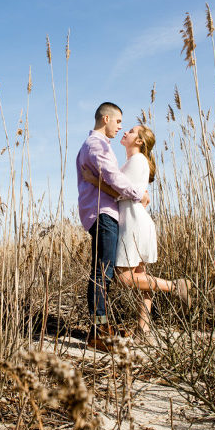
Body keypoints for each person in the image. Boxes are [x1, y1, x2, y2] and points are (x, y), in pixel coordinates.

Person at [82, 124, 191, 342]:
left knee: (124, 278)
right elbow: (135, 193)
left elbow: (120, 192)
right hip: (137, 221)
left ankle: (176, 286)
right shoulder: (135, 163)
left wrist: (94, 180)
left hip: (133, 223)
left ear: (139, 141)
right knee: (142, 278)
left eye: (131, 131)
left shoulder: (136, 161)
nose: (125, 132)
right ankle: (144, 330)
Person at [76, 103, 150, 351]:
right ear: (106, 118)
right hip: (103, 213)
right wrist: (138, 193)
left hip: (102, 212)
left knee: (103, 274)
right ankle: (98, 331)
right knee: (101, 274)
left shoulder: (97, 145)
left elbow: (107, 179)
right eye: (118, 122)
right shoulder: (96, 145)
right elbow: (113, 177)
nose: (120, 127)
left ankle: (103, 325)